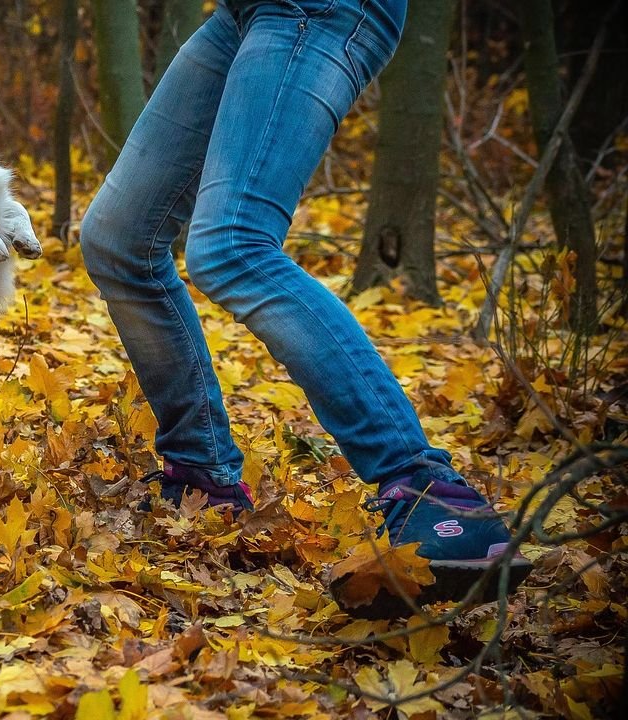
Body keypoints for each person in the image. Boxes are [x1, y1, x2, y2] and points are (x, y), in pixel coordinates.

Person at [79, 0, 530, 615]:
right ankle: (204, 477)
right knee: (117, 238)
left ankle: (431, 493)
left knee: (231, 245)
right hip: (244, 13)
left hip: (317, 9)